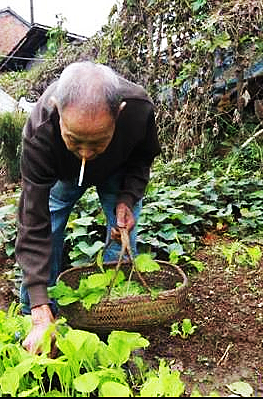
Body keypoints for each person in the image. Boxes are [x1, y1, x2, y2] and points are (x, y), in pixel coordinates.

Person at [15, 61, 161, 353]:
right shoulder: (40, 129)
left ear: (118, 113)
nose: (85, 153)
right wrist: (40, 306)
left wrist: (128, 197)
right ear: (57, 111)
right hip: (62, 172)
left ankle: (110, 313)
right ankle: (37, 310)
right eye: (75, 139)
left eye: (97, 142)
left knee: (123, 234)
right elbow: (33, 221)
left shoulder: (137, 109)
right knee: (51, 223)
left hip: (117, 170)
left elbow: (143, 157)